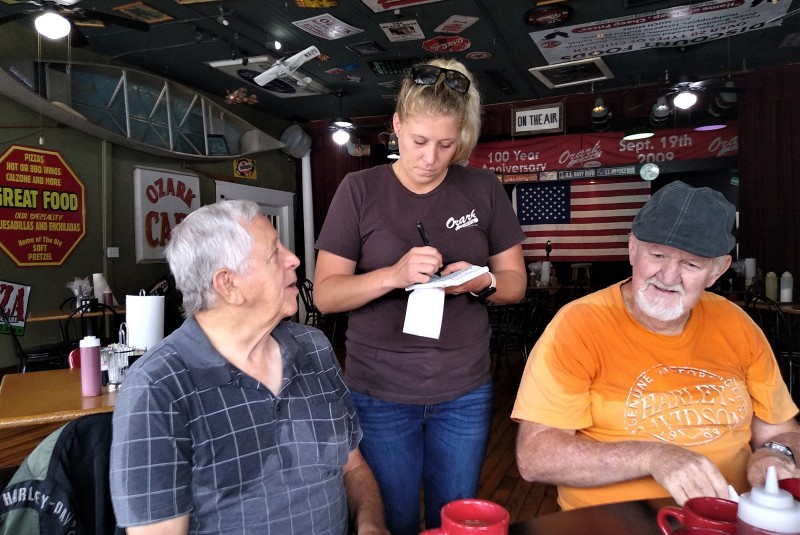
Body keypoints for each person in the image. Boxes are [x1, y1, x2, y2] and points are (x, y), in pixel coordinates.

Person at [314, 58, 527, 534]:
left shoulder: (484, 188)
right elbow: (326, 295)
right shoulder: (358, 189)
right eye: (418, 142)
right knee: (395, 518)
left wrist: (480, 282)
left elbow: (514, 283)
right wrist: (392, 274)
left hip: (464, 391)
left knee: (458, 520)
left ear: (463, 139)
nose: (430, 158)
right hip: (380, 393)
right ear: (396, 126)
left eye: (446, 144)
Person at [513, 181, 800, 511]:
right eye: (658, 255)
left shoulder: (738, 325)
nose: (668, 276)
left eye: (690, 264)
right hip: (613, 523)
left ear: (716, 270)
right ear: (633, 250)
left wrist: (776, 454)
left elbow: (782, 430)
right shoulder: (579, 325)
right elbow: (535, 456)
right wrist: (653, 456)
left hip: (728, 518)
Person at [109, 200, 388, 535]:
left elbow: (353, 469)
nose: (294, 259)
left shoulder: (314, 349)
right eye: (274, 253)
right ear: (229, 284)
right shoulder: (159, 388)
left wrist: (371, 526)